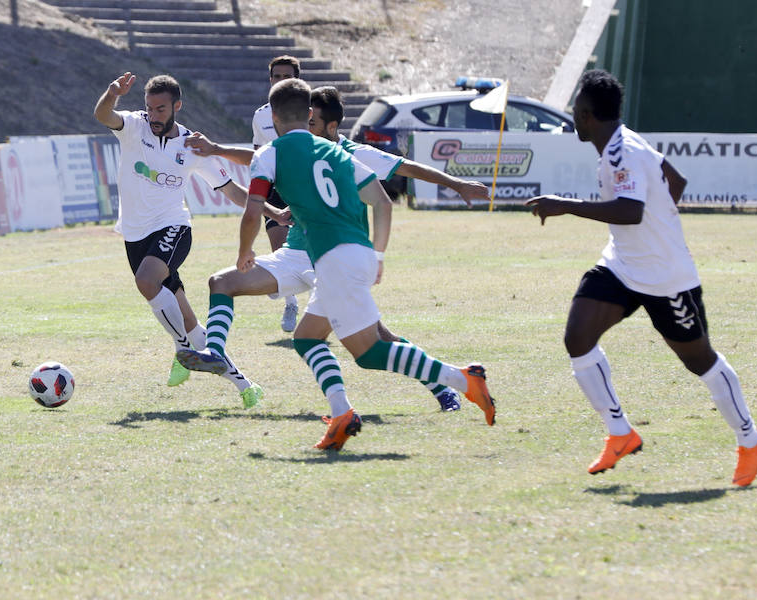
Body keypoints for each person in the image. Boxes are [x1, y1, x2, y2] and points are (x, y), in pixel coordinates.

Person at [177, 86, 492, 413]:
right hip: (297, 254)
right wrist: (217, 150)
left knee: (375, 338)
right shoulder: (289, 149)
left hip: (333, 258)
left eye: (313, 123)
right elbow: (260, 158)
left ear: (327, 125)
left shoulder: (350, 153)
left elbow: (407, 168)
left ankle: (441, 386)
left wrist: (457, 184)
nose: (307, 128)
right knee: (223, 283)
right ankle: (216, 353)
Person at [525, 69, 757, 486]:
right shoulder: (624, 143)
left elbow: (630, 211)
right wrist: (660, 219)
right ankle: (620, 433)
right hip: (622, 265)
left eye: (576, 112)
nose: (574, 118)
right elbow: (676, 180)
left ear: (586, 116)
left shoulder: (624, 152)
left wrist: (565, 204)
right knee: (578, 337)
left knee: (699, 360)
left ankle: (750, 439)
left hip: (664, 275)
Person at [93, 71, 277, 407]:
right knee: (188, 319)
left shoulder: (193, 146)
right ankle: (246, 386)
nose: (153, 116)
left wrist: (274, 212)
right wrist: (112, 93)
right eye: (150, 108)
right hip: (135, 235)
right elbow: (103, 115)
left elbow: (233, 191)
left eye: (161, 109)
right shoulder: (134, 126)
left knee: (146, 281)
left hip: (173, 228)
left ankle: (181, 351)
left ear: (177, 106)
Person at [252, 55, 302, 332]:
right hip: (275, 187)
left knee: (316, 248)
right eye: (277, 77)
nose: (281, 81)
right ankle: (291, 302)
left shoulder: (311, 110)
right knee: (279, 247)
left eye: (287, 77)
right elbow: (257, 153)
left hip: (306, 184)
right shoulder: (261, 115)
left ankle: (326, 304)